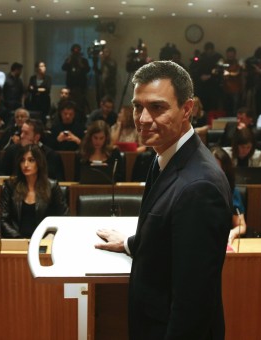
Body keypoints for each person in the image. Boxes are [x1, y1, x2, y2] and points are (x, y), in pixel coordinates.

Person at [94, 61, 232, 339]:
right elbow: (169, 238)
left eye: (157, 107)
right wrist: (132, 243)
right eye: (137, 106)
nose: (143, 118)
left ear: (187, 109)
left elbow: (191, 306)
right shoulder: (165, 156)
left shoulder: (199, 187)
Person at [0, 144, 68, 238]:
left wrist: (51, 234)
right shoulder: (10, 186)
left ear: (39, 163)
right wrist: (19, 239)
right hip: (17, 242)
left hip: (43, 241)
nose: (25, 165)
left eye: (31, 160)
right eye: (22, 160)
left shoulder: (52, 187)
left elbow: (64, 217)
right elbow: (2, 220)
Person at [0, 118, 65, 181]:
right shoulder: (12, 150)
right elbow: (1, 174)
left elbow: (59, 182)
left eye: (26, 133)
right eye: (22, 131)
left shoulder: (51, 156)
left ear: (36, 137)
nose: (21, 136)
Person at [210, 146, 247, 247]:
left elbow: (241, 226)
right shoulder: (195, 191)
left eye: (219, 170)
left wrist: (232, 233)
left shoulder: (232, 192)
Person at [61, 43, 91, 113]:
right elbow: (63, 68)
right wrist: (68, 61)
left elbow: (87, 70)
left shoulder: (83, 60)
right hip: (70, 85)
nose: (76, 53)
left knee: (81, 103)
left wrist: (81, 64)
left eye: (77, 51)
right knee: (69, 102)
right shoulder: (69, 60)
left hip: (81, 86)